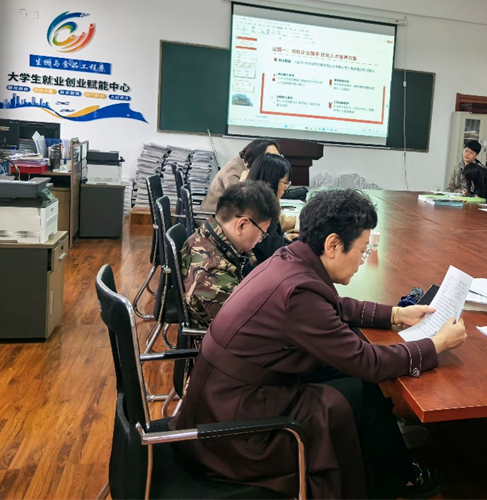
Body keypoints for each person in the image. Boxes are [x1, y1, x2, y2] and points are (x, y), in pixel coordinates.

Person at [170, 188, 468, 500]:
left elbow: (334, 306)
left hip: (224, 398)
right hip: (234, 428)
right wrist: (435, 345)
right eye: (362, 251)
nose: (362, 260)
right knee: (349, 392)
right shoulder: (298, 293)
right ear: (333, 245)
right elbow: (369, 362)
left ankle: (388, 473)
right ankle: (384, 479)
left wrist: (395, 314)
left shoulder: (290, 258)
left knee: (356, 386)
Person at [181, 181, 278, 330]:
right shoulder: (214, 272)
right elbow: (246, 327)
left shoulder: (211, 233)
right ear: (242, 225)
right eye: (262, 233)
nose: (260, 240)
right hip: (222, 339)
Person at [199, 139, 280, 212]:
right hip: (213, 217)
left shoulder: (248, 167)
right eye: (271, 157)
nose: (276, 161)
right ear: (257, 157)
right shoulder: (234, 169)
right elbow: (240, 201)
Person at [246, 152, 295, 263]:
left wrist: (284, 237)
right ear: (272, 181)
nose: (286, 188)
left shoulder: (253, 199)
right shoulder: (259, 210)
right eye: (285, 183)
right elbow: (279, 254)